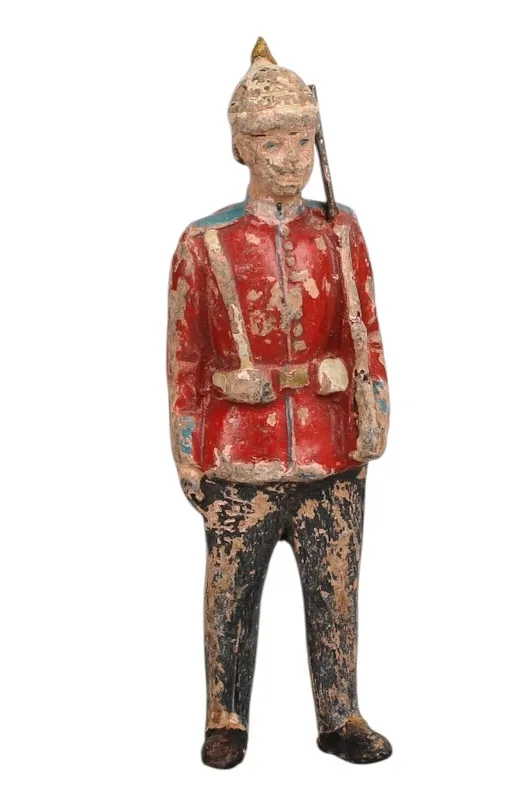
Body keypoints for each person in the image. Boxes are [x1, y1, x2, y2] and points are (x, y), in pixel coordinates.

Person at [167, 37, 391, 769]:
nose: (291, 159)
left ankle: (340, 711)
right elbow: (185, 357)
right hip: (242, 454)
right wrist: (188, 449)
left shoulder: (340, 230)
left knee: (337, 591)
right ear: (241, 147)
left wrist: (371, 406)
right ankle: (225, 714)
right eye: (271, 142)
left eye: (300, 140)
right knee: (231, 593)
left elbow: (367, 333)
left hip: (331, 450)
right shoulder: (206, 244)